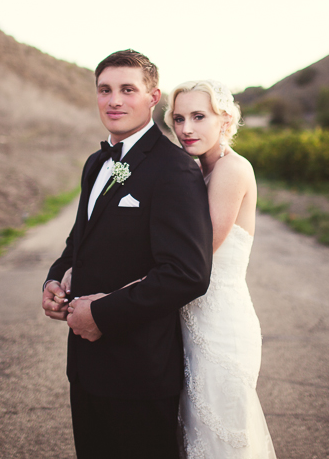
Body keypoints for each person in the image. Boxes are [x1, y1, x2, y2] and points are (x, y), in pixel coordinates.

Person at [41, 50, 212, 459]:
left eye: (127, 90)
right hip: (85, 367)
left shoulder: (174, 168)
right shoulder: (95, 162)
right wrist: (54, 277)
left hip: (138, 372)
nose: (114, 100)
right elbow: (78, 241)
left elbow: (187, 273)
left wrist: (101, 314)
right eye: (105, 90)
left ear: (153, 98)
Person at [166, 79, 277, 458]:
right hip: (189, 321)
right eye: (178, 118)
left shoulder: (232, 169)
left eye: (199, 116)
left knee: (220, 435)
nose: (186, 128)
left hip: (221, 326)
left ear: (224, 120)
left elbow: (198, 251)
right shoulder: (197, 171)